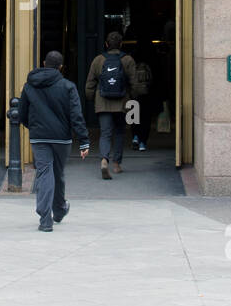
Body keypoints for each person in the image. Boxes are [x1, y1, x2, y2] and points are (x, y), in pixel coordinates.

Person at [18, 51, 90, 232]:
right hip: (61, 138)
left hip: (39, 137)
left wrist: (33, 127)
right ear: (61, 67)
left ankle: (45, 218)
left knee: (44, 173)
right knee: (57, 174)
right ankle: (58, 210)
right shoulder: (68, 86)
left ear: (44, 63)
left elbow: (21, 113)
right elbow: (76, 115)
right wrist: (83, 141)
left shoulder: (29, 85)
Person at [84, 31, 143, 179]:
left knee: (105, 133)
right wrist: (133, 98)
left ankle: (104, 160)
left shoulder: (98, 60)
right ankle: (116, 164)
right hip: (122, 102)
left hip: (102, 102)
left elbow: (90, 83)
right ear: (121, 44)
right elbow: (134, 83)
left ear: (106, 44)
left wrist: (91, 98)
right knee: (120, 132)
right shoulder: (128, 60)